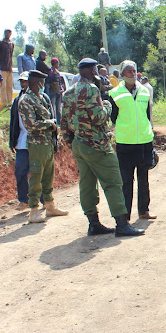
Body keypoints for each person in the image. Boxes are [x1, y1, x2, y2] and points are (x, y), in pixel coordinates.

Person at [61, 58, 144, 237]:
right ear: (92, 72)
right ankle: (122, 224)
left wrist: (72, 144)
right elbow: (98, 118)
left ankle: (93, 223)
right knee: (113, 182)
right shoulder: (91, 89)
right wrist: (106, 104)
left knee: (87, 184)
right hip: (96, 144)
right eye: (96, 70)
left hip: (79, 144)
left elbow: (64, 122)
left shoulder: (68, 92)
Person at [18, 70, 68, 223]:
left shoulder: (40, 98)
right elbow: (31, 125)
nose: (41, 85)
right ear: (35, 82)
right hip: (36, 144)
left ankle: (50, 205)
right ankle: (33, 210)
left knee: (48, 176)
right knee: (36, 176)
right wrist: (50, 123)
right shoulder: (25, 100)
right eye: (40, 82)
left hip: (47, 142)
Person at [111, 60, 156, 221]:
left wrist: (151, 134)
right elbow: (113, 118)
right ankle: (125, 215)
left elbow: (147, 115)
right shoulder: (114, 93)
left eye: (134, 71)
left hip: (144, 141)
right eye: (128, 71)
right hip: (125, 143)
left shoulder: (145, 91)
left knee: (144, 179)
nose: (132, 74)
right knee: (126, 181)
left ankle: (144, 210)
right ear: (122, 74)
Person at [10, 71, 31, 210]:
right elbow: (13, 122)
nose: (23, 84)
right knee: (21, 170)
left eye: (26, 81)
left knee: (38, 171)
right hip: (22, 141)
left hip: (37, 141)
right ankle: (24, 200)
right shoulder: (17, 100)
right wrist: (12, 141)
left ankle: (43, 200)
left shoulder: (41, 97)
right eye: (21, 82)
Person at [0, 29, 15, 107]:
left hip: (9, 68)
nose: (8, 34)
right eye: (6, 33)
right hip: (2, 68)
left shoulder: (12, 44)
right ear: (4, 33)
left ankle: (10, 103)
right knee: (3, 87)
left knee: (10, 87)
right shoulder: (0, 43)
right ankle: (4, 104)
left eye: (9, 33)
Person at [45, 58, 65, 124]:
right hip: (52, 92)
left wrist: (61, 88)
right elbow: (47, 83)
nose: (58, 64)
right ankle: (54, 121)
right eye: (57, 63)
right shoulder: (50, 72)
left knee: (59, 108)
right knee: (52, 108)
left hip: (58, 92)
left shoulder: (58, 72)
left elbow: (59, 82)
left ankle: (59, 122)